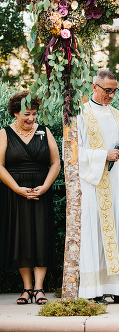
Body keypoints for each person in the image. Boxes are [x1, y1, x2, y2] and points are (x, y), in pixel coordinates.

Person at [77, 69, 119, 304]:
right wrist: (104, 155)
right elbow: (75, 153)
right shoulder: (80, 115)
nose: (111, 95)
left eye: (114, 91)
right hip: (94, 185)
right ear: (94, 87)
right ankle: (93, 292)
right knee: (95, 234)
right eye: (107, 90)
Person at [0, 91, 60, 305]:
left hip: (40, 192)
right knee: (22, 238)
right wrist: (17, 188)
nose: (31, 118)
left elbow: (56, 163)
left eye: (34, 114)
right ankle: (26, 288)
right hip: (16, 193)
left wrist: (44, 187)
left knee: (41, 236)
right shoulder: (5, 133)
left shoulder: (45, 131)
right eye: (26, 114)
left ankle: (39, 288)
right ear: (15, 113)